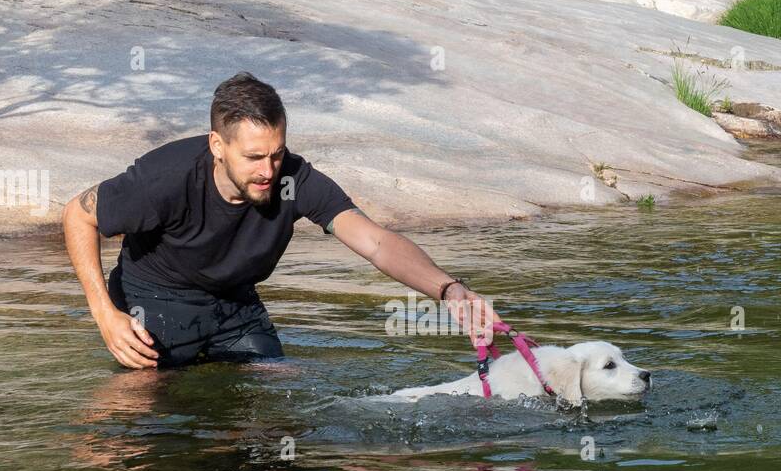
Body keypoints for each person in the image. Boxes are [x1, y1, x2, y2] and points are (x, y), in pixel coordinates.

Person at [63, 72, 502, 369]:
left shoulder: (293, 178)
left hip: (235, 304)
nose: (268, 170)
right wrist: (105, 315)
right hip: (154, 299)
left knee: (280, 398)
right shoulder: (164, 177)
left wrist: (449, 290)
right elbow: (76, 216)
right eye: (254, 157)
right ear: (218, 145)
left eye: (276, 153)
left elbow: (376, 242)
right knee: (139, 418)